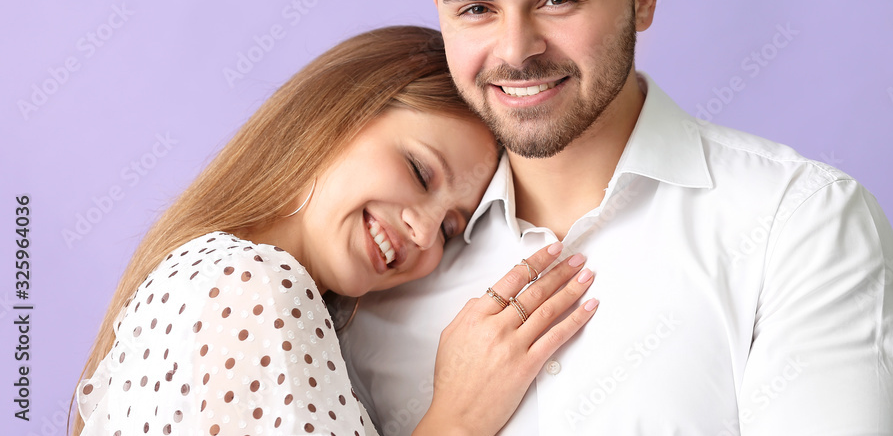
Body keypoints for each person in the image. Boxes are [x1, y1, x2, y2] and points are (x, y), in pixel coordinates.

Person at [340, 0, 893, 434]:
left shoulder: (799, 228)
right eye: (477, 9)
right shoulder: (376, 272)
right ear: (440, 10)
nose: (516, 50)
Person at [71, 25, 600, 436]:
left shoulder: (222, 277)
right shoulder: (250, 286)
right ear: (338, 114)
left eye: (450, 226)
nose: (423, 233)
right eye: (420, 172)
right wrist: (458, 417)